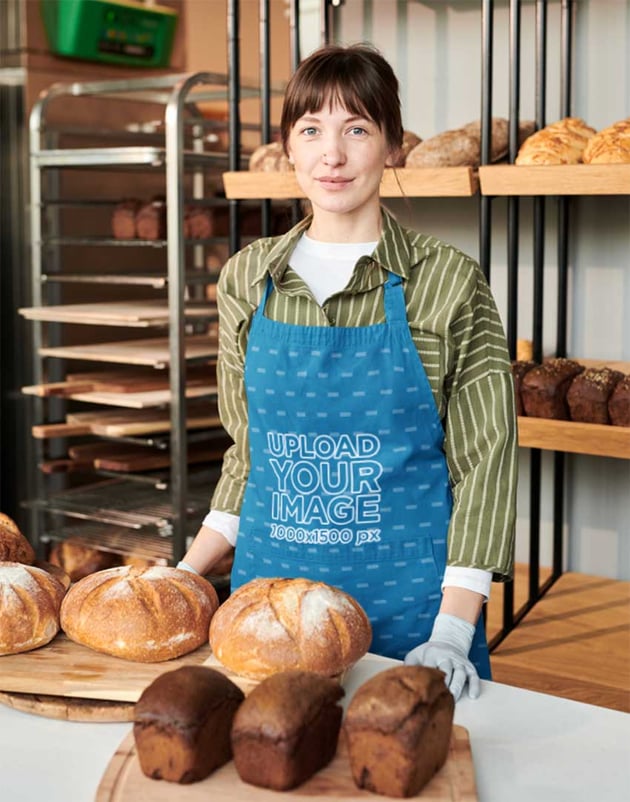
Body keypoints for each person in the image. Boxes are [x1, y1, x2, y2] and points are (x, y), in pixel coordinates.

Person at [179, 43, 517, 701]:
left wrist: (451, 629)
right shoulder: (248, 278)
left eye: (356, 128)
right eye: (312, 130)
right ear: (289, 147)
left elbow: (485, 465)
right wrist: (187, 576)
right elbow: (249, 455)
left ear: (392, 145)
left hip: (412, 619)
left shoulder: (447, 281)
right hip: (266, 614)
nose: (332, 154)